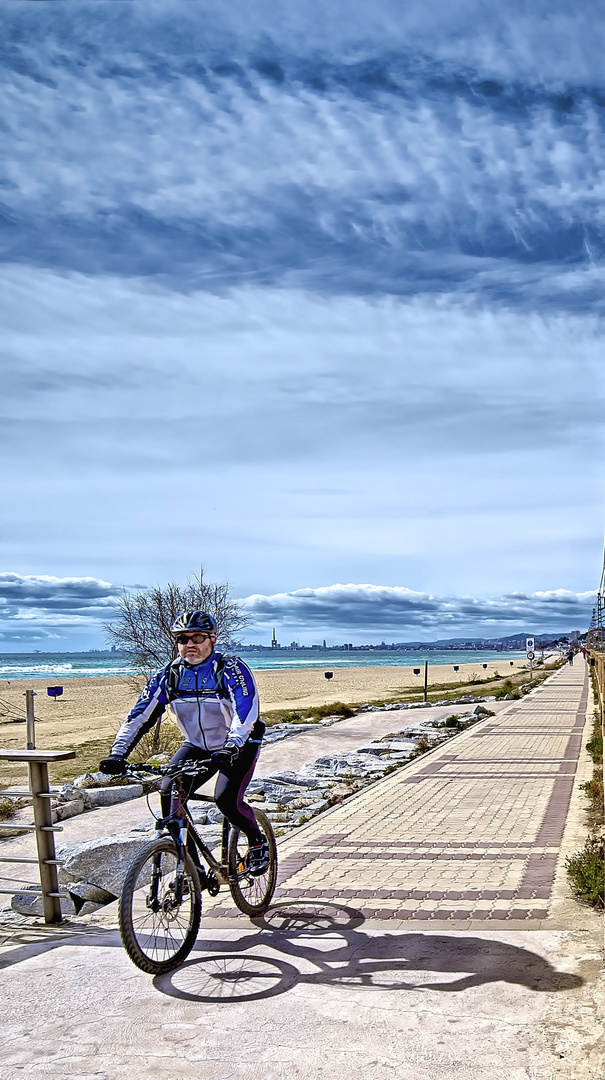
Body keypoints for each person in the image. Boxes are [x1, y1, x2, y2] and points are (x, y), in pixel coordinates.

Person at [99, 610, 269, 872]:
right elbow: (139, 715)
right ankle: (193, 870)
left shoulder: (231, 669)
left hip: (239, 745)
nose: (189, 644)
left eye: (197, 637)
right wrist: (117, 754)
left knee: (226, 800)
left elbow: (246, 711)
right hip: (197, 746)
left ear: (212, 639)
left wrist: (232, 744)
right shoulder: (170, 675)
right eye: (182, 639)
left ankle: (258, 842)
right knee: (169, 796)